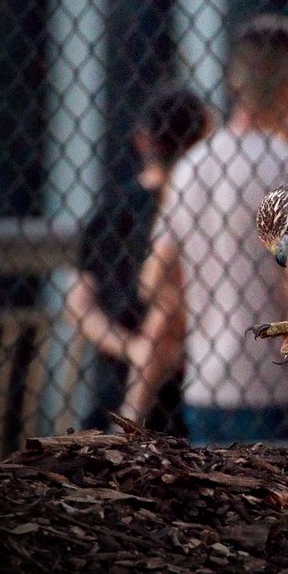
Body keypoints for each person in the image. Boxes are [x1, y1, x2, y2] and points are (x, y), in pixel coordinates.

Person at [119, 14, 288, 445]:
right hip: (272, 392)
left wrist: (132, 409)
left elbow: (161, 285)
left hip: (204, 390)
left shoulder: (190, 168)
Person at [65, 84, 212, 435]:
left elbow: (78, 303)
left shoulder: (111, 210)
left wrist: (131, 348)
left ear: (143, 140)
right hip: (193, 393)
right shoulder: (203, 207)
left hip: (115, 391)